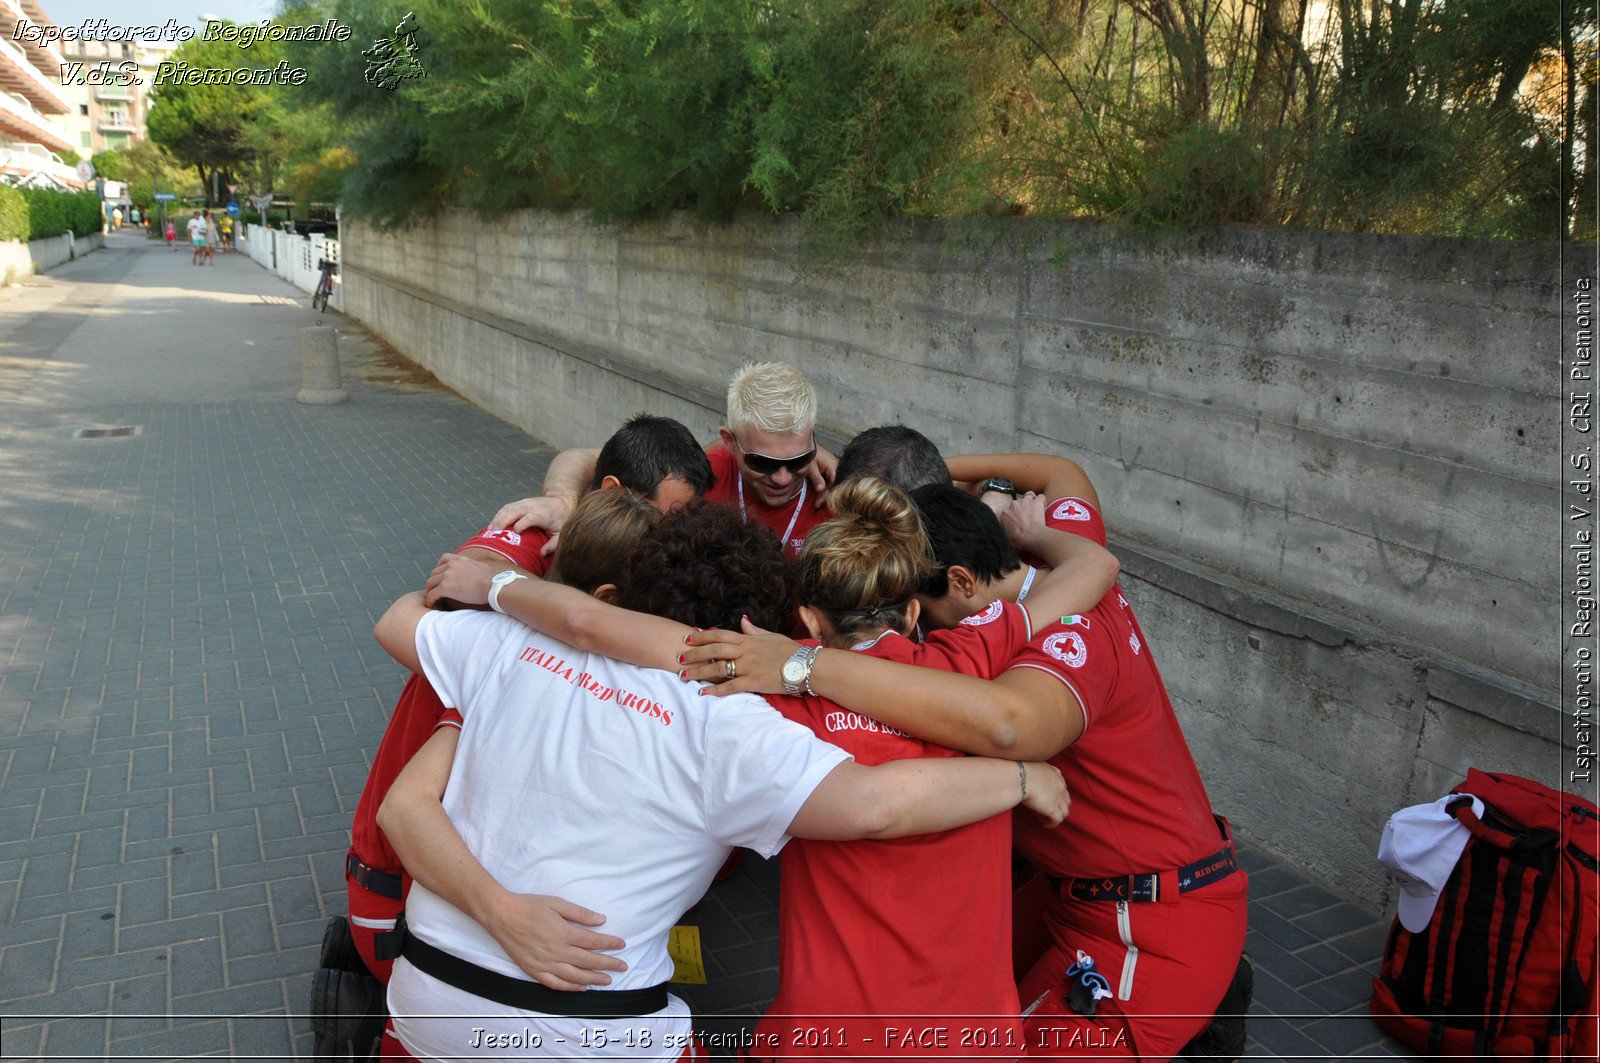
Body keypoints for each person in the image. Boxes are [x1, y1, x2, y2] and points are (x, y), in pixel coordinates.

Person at [424, 477, 1119, 1061]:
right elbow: (1095, 568)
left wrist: (499, 583)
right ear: (913, 608)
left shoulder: (769, 695)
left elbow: (592, 627)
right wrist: (1024, 774)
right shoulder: (974, 658)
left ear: (810, 618)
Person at [680, 454, 1250, 1063]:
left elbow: (1008, 726)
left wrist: (804, 665)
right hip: (1080, 894)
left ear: (956, 584)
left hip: (1145, 921)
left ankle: (1202, 1016)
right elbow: (1066, 477)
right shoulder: (1025, 593)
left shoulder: (1028, 656)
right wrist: (1014, 519)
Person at [342, 414, 713, 989]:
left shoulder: (579, 561)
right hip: (403, 886)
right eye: (667, 522)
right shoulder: (506, 580)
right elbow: (407, 621)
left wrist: (562, 496)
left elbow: (580, 453)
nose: (674, 543)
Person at [488, 362, 838, 560]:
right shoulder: (703, 470)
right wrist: (563, 501)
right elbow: (579, 458)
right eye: (762, 462)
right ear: (731, 441)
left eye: (798, 460)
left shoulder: (840, 491)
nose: (781, 477)